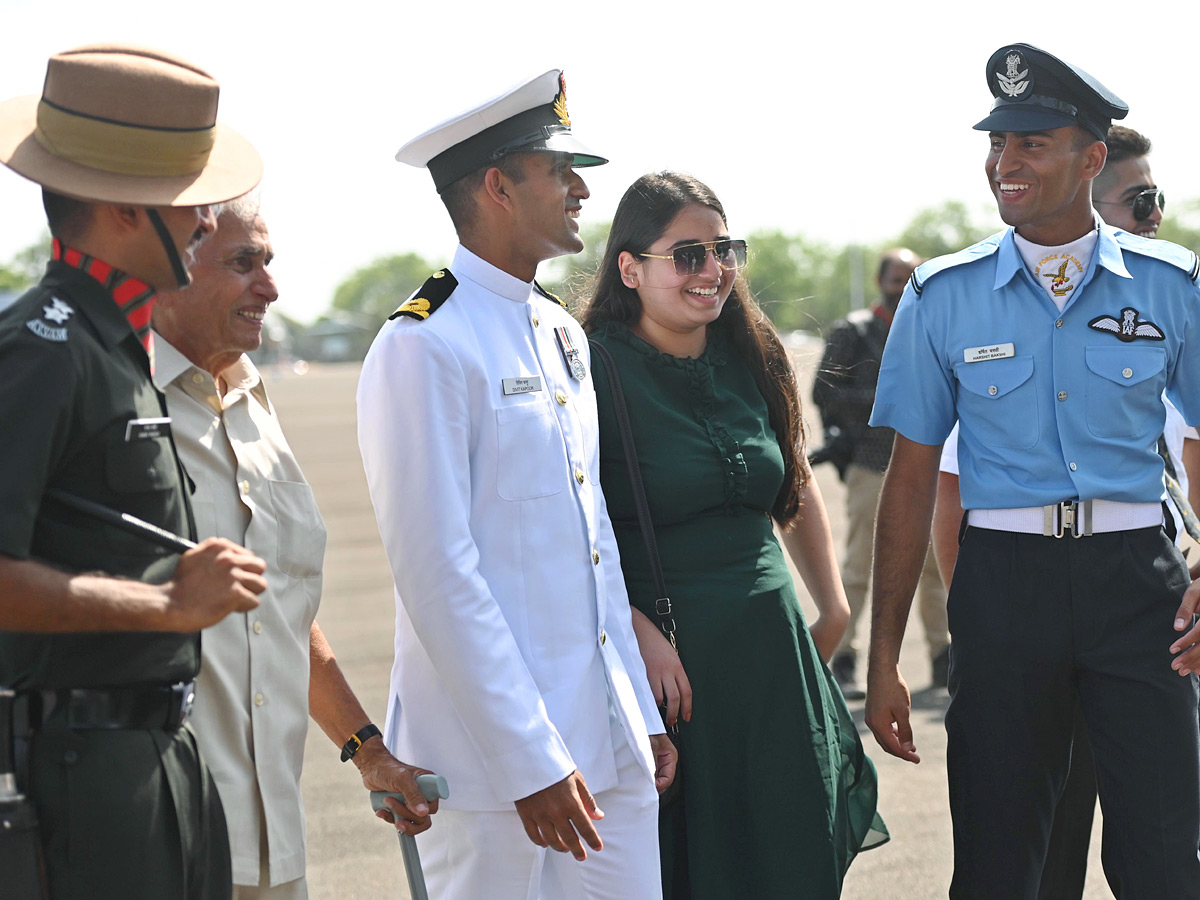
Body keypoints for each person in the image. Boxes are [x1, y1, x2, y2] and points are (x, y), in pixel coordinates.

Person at [867, 43, 1200, 899]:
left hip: (1138, 585)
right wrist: (885, 655)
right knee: (998, 861)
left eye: (1030, 144)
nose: (1003, 164)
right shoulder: (942, 295)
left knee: (1164, 858)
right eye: (996, 144)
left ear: (1093, 158)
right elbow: (910, 480)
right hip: (1005, 586)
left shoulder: (1174, 286)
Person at [356, 70, 674, 900]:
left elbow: (592, 540)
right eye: (558, 170)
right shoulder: (424, 344)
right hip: (493, 768)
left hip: (601, 746)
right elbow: (437, 571)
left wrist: (635, 712)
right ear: (497, 186)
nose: (580, 188)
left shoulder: (560, 330)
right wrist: (526, 760)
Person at [0, 45, 267, 899]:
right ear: (122, 209)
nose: (201, 222)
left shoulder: (111, 346)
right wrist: (166, 604)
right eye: (186, 203)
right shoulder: (44, 350)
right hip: (84, 777)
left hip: (154, 762)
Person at [580, 171, 888, 899]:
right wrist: (635, 632)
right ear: (630, 268)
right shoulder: (591, 368)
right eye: (688, 254)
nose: (713, 271)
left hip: (776, 657)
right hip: (673, 672)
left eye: (724, 250)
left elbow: (796, 480)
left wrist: (835, 607)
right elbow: (566, 528)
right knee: (694, 870)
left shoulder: (750, 348)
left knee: (790, 852)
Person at [152, 199, 437, 900]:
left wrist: (367, 751)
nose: (270, 288)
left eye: (269, 263)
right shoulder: (118, 400)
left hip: (273, 840)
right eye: (243, 264)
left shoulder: (252, 402)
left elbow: (277, 605)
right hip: (159, 838)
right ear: (170, 266)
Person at [812, 248, 950, 698]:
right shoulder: (854, 330)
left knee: (932, 567)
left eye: (911, 278)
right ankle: (846, 659)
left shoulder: (930, 326)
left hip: (926, 466)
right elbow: (824, 392)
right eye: (896, 278)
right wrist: (893, 399)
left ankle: (943, 660)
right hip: (872, 463)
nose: (903, 287)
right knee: (858, 565)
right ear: (879, 280)